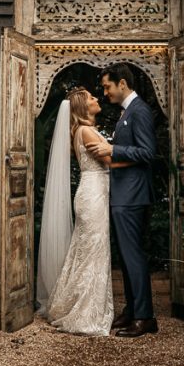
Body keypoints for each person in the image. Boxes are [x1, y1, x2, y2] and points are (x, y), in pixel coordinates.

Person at [40, 87, 131, 336]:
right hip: (93, 195)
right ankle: (85, 313)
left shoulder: (84, 130)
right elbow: (111, 162)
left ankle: (75, 304)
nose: (96, 98)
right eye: (91, 97)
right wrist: (139, 159)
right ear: (83, 106)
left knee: (87, 250)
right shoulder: (86, 131)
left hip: (94, 193)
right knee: (92, 252)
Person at [86, 63, 159, 338]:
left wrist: (112, 148)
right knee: (127, 258)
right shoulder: (127, 112)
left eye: (107, 87)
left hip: (133, 195)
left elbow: (148, 152)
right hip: (123, 195)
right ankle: (132, 310)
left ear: (123, 84)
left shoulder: (139, 111)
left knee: (133, 256)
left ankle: (145, 317)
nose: (105, 93)